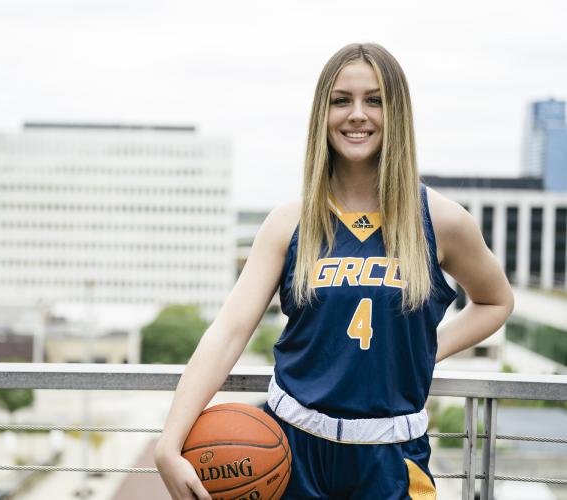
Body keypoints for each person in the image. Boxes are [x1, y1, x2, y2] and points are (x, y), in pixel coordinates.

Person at [154, 42, 514, 499]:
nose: (357, 114)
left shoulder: (441, 220)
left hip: (391, 456)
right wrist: (169, 442)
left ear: (397, 112)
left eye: (375, 100)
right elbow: (228, 332)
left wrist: (422, 352)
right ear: (322, 114)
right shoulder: (290, 221)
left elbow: (497, 300)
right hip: (289, 451)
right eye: (341, 100)